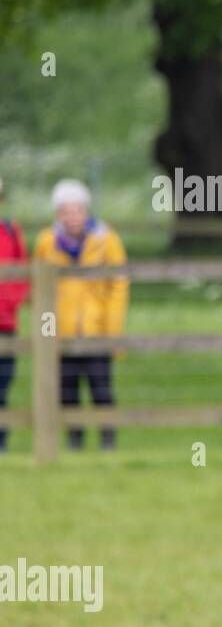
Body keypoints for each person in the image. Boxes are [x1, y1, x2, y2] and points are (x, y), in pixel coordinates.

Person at [33, 179, 129, 451]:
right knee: (67, 389)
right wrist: (47, 333)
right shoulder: (46, 243)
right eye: (65, 211)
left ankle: (107, 439)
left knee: (101, 388)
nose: (71, 217)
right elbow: (40, 292)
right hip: (61, 330)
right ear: (57, 214)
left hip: (96, 328)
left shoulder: (106, 240)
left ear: (86, 212)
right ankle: (74, 440)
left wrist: (112, 330)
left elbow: (118, 286)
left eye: (76, 210)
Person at [0, 177, 31, 453]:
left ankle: (1, 445)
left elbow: (24, 274)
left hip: (5, 323)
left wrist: (9, 304)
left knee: (2, 386)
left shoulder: (10, 231)